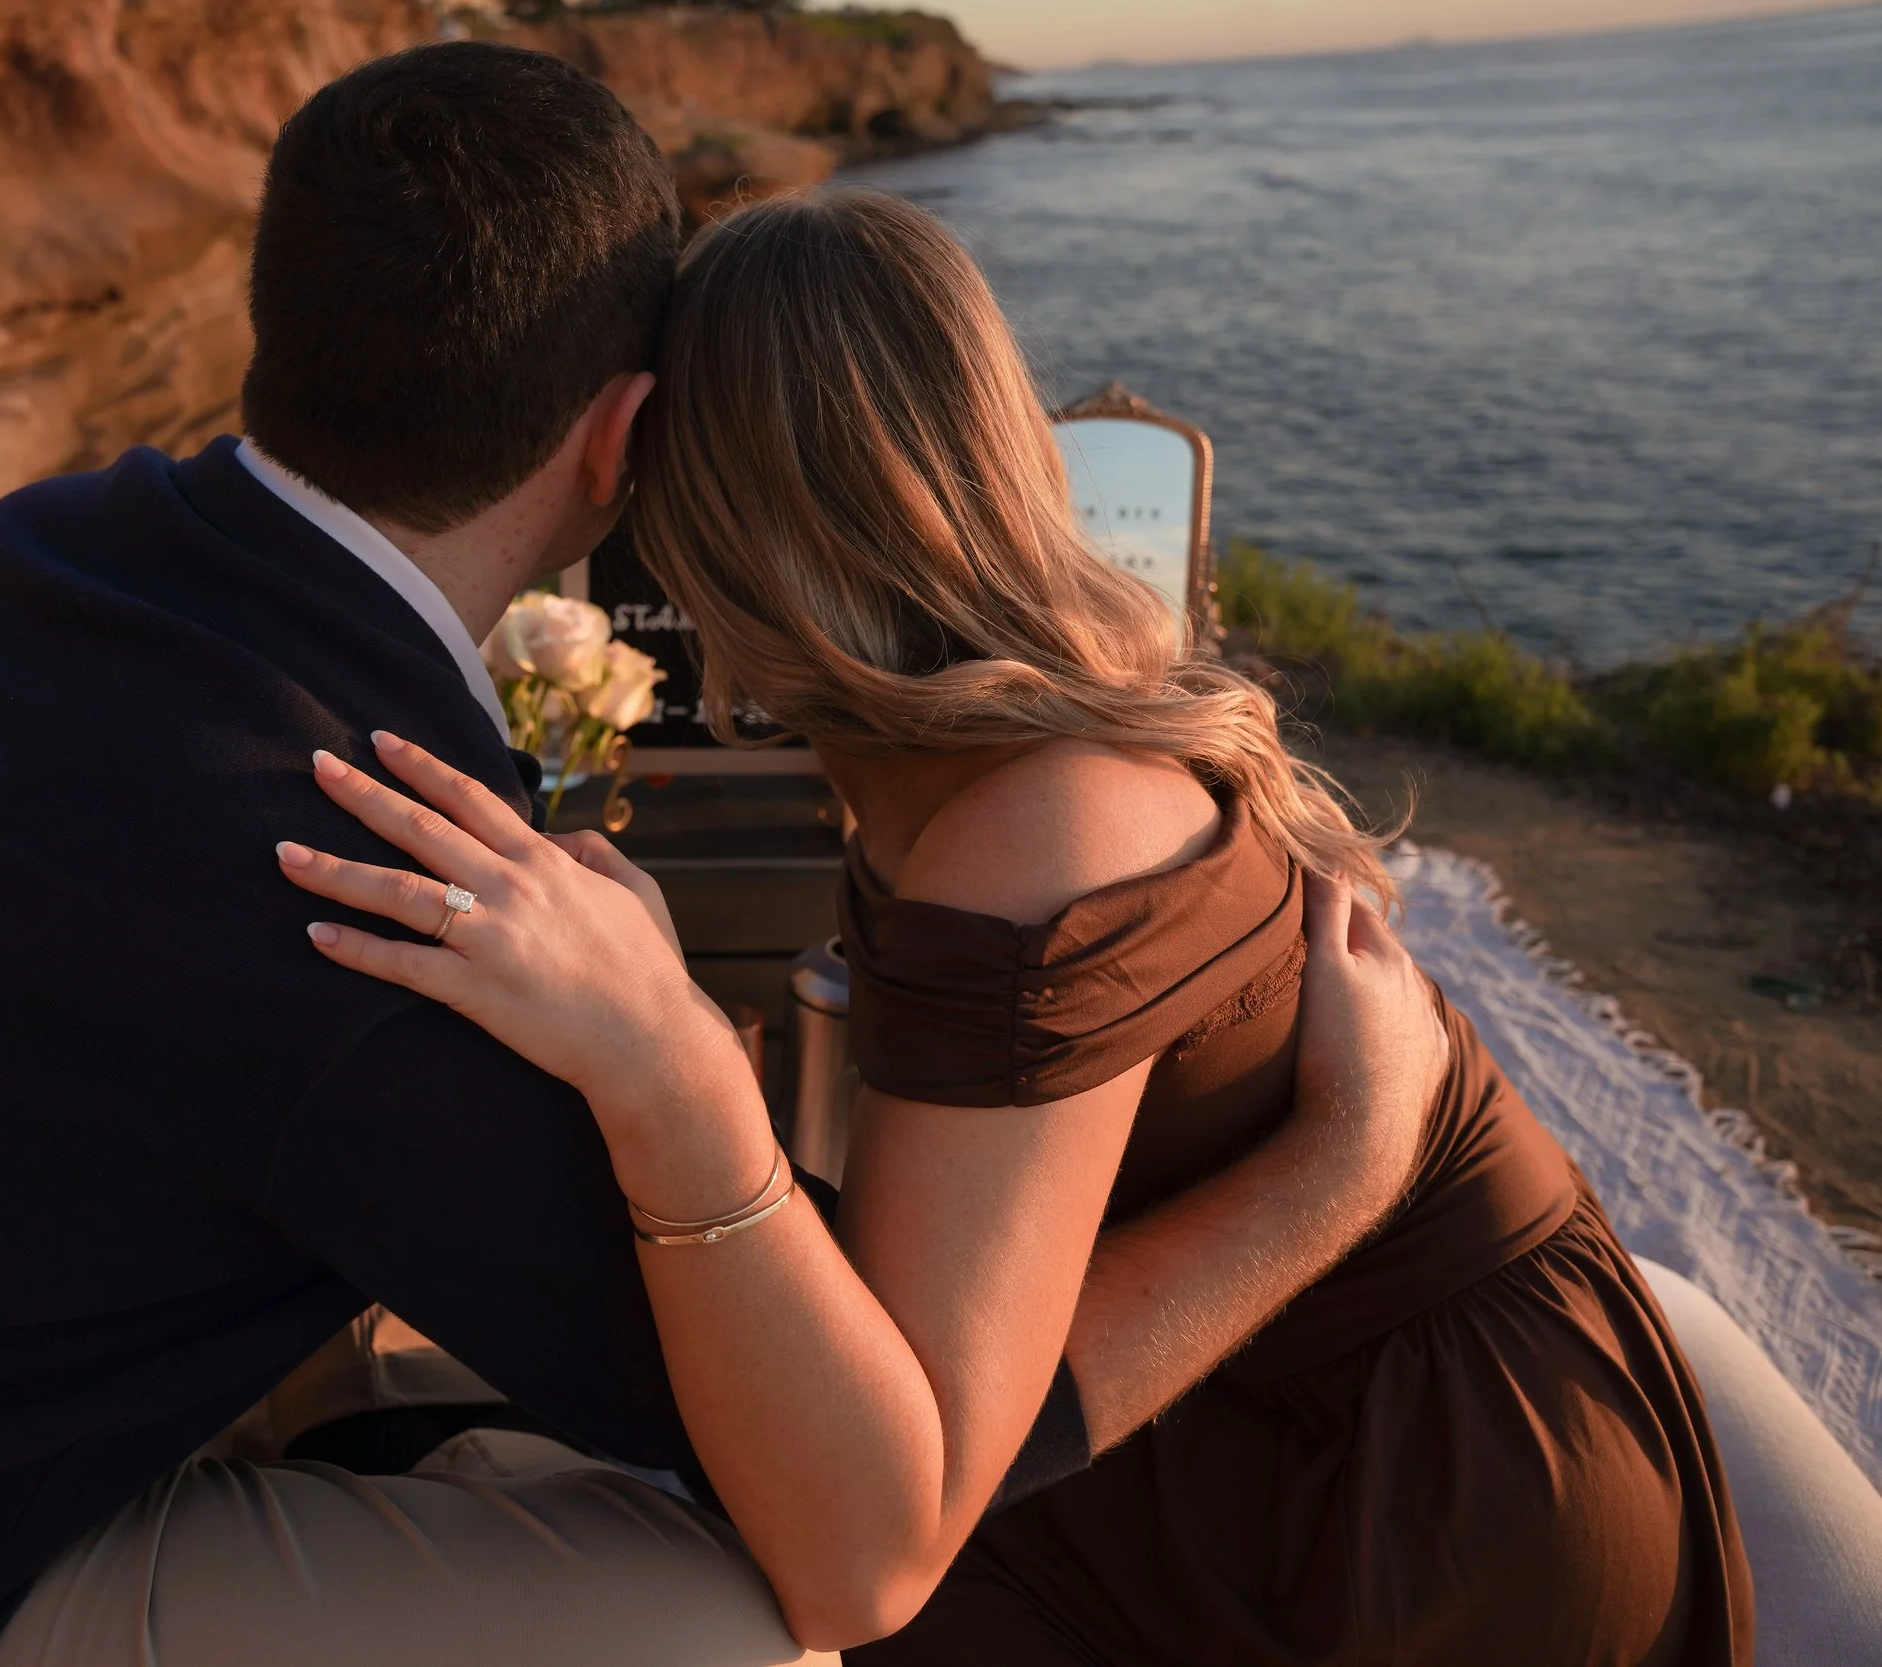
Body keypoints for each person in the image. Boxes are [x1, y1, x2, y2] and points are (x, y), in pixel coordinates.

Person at [0, 47, 1447, 1667]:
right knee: (724, 1633)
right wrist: (1336, 1169)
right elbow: (860, 1530)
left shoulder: (50, 550)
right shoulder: (376, 885)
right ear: (621, 443)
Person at [283, 190, 1754, 1664]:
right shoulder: (980, 733)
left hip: (1421, 1480)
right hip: (1225, 1401)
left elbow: (875, 1537)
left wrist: (1340, 1165)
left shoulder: (1042, 820)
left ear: (688, 501)